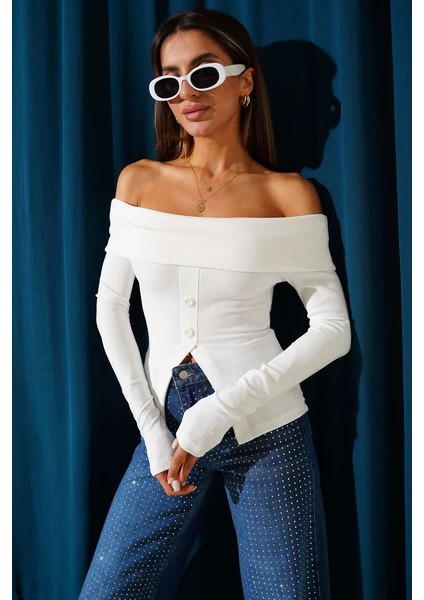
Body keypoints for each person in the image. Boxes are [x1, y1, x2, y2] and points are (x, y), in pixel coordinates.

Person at [79, 7, 351, 600]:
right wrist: (155, 431)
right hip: (167, 429)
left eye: (203, 73)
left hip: (269, 428)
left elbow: (333, 328)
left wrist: (216, 413)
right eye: (169, 81)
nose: (186, 93)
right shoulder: (139, 183)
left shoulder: (288, 195)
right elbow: (110, 310)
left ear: (244, 80)